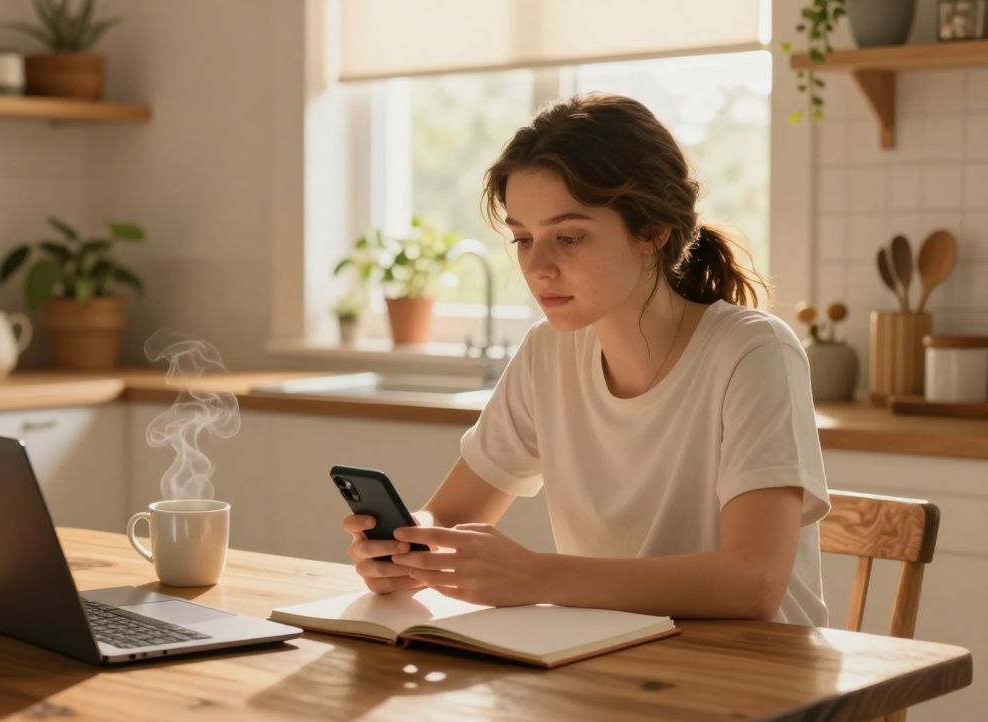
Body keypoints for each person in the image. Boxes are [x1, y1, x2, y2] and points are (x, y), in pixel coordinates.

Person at [341, 93, 829, 625]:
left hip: (755, 665)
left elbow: (753, 582)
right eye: (523, 238)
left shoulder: (754, 352)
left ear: (652, 231)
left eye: (569, 237)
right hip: (607, 656)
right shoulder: (547, 354)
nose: (538, 267)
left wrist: (535, 576)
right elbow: (449, 516)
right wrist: (409, 544)